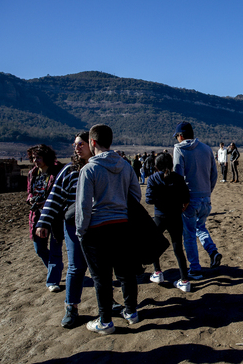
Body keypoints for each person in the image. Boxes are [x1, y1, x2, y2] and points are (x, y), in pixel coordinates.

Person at [76, 124, 141, 334]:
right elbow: (136, 196)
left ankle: (105, 321)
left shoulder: (89, 170)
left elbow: (84, 206)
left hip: (97, 230)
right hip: (122, 226)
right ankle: (131, 312)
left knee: (101, 278)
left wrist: (81, 231)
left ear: (92, 143)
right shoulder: (125, 166)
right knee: (126, 273)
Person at [35, 132, 92, 328]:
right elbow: (55, 197)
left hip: (98, 226)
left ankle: (108, 302)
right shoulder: (69, 171)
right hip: (73, 225)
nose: (77, 147)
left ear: (92, 144)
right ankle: (71, 307)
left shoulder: (100, 169)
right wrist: (43, 222)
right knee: (76, 267)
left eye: (81, 144)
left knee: (100, 268)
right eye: (75, 144)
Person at [173, 122, 222, 280]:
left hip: (189, 200)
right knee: (201, 227)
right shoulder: (207, 149)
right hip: (205, 198)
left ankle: (195, 268)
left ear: (181, 136)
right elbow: (214, 174)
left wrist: (182, 199)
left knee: (189, 235)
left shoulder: (179, 149)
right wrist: (208, 191)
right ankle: (213, 251)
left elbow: (178, 176)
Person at [146, 153, 191, 292]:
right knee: (178, 247)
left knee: (153, 244)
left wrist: (161, 200)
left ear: (156, 166)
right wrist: (181, 206)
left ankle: (158, 272)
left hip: (160, 216)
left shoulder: (153, 179)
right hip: (176, 216)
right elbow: (186, 197)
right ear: (171, 165)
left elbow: (149, 199)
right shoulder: (178, 178)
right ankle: (184, 280)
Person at [26, 144, 64, 293]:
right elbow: (29, 191)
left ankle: (53, 280)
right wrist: (31, 199)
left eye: (39, 157)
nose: (36, 160)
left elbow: (61, 193)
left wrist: (47, 201)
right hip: (36, 216)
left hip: (54, 216)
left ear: (46, 157)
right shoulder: (32, 174)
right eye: (34, 157)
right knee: (39, 248)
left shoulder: (57, 173)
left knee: (55, 249)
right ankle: (55, 268)